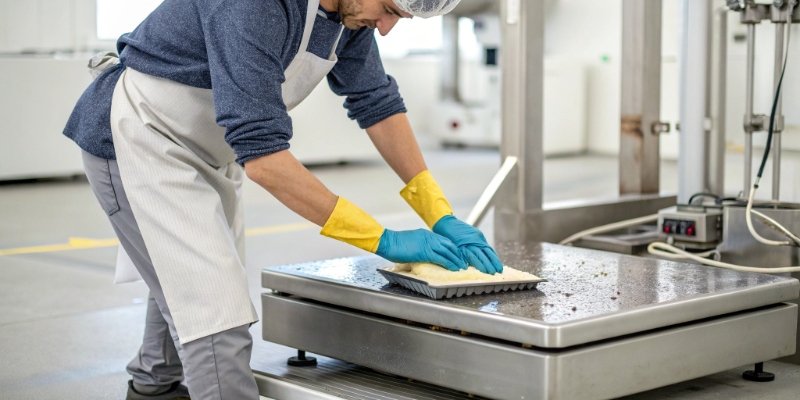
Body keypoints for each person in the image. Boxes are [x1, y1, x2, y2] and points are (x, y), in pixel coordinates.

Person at [63, 0, 503, 398]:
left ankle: (152, 389)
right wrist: (382, 239)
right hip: (141, 139)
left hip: (209, 153)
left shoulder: (346, 15)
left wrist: (438, 212)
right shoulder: (254, 6)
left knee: (193, 276)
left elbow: (375, 101)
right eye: (388, 9)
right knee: (216, 314)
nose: (385, 28)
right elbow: (265, 159)